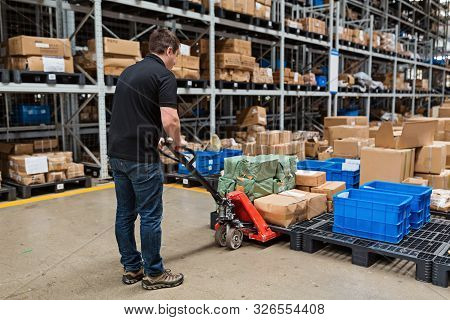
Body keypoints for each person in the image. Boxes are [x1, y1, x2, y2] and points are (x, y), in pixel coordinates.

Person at [108, 28, 185, 290]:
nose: (176, 61)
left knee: (125, 213)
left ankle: (132, 268)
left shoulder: (129, 72)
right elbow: (170, 118)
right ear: (169, 50)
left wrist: (154, 136)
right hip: (141, 158)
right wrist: (177, 142)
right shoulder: (164, 75)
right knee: (150, 215)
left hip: (117, 155)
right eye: (176, 56)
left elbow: (134, 113)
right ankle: (154, 273)